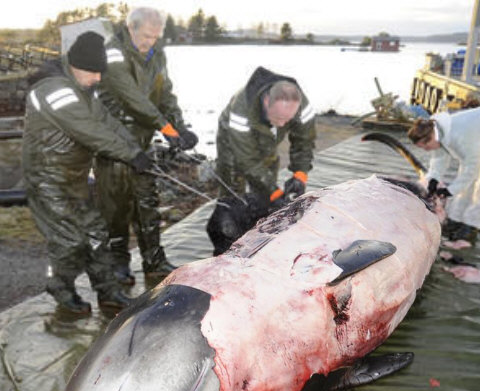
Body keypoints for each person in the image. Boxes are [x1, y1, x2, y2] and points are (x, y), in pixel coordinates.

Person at [23, 31, 153, 314]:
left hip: (75, 179)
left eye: (100, 72)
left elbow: (108, 122)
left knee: (96, 233)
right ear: (75, 65)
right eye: (93, 72)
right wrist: (130, 155)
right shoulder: (53, 90)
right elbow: (91, 132)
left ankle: (108, 292)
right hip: (47, 181)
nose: (98, 78)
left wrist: (137, 150)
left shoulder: (82, 91)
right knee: (69, 240)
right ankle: (60, 286)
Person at [96, 7, 198, 286]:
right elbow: (130, 96)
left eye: (155, 37)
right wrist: (164, 127)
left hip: (142, 138)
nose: (150, 42)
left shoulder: (157, 53)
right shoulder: (112, 51)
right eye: (145, 37)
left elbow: (165, 93)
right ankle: (118, 263)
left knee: (147, 201)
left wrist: (179, 126)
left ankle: (153, 260)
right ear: (130, 28)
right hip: (113, 139)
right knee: (116, 206)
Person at [408, 106, 480, 241]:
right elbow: (439, 158)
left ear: (431, 138)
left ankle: (472, 225)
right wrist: (433, 179)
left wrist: (450, 191)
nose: (426, 150)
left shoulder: (460, 135)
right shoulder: (436, 132)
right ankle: (456, 219)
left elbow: (473, 167)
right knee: (466, 175)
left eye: (425, 146)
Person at [216, 66, 316, 208]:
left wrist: (300, 174)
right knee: (232, 174)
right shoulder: (241, 111)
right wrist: (273, 192)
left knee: (267, 172)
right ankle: (230, 207)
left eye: (288, 120)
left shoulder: (301, 106)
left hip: (266, 132)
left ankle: (263, 206)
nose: (282, 124)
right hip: (233, 137)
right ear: (266, 102)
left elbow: (304, 141)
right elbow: (246, 158)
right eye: (279, 118)